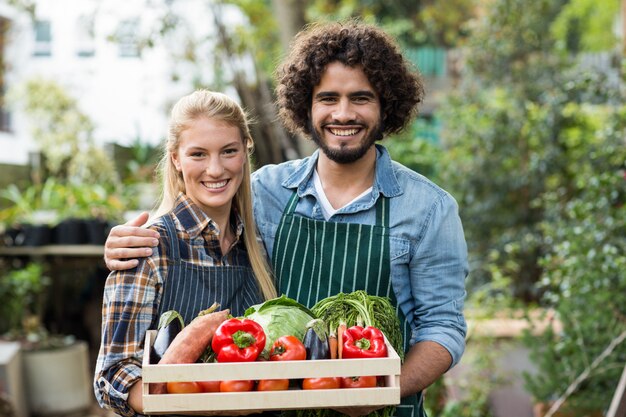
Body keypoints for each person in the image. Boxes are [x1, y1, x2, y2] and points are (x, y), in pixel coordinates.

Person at [104, 21, 468, 417]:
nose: (343, 114)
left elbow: (442, 328)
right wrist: (125, 244)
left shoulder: (428, 208)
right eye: (328, 98)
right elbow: (197, 224)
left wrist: (382, 389)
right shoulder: (265, 192)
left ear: (386, 105)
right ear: (306, 106)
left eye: (361, 98)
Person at [94, 90, 277, 417]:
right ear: (176, 158)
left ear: (245, 150)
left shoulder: (254, 246)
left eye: (229, 151)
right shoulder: (149, 248)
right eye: (198, 154)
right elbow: (112, 376)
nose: (216, 169)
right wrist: (204, 407)